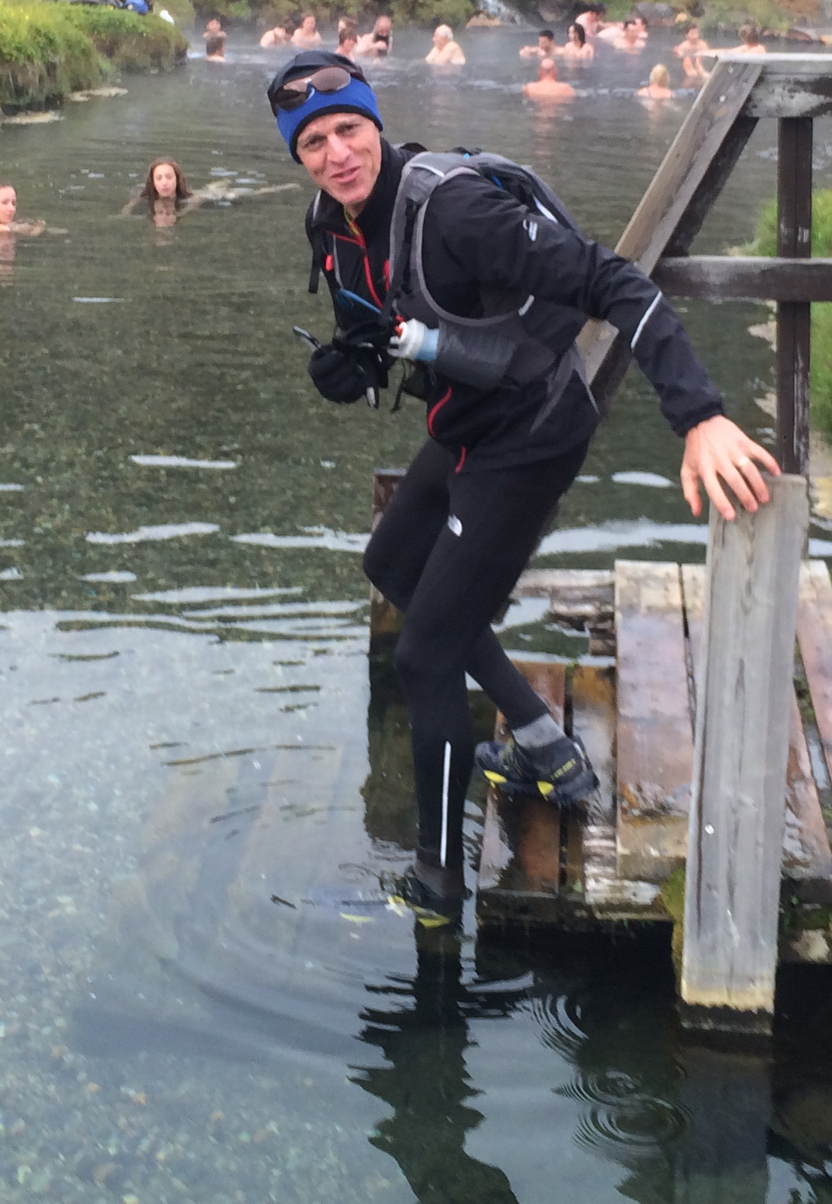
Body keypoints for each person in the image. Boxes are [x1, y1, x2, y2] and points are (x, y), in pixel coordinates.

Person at [270, 50, 780, 926]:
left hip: (531, 437)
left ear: (376, 124)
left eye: (348, 129)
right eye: (312, 141)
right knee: (393, 564)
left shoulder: (457, 209)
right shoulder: (333, 218)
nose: (336, 154)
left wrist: (701, 413)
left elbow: (616, 282)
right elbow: (390, 325)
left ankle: (435, 889)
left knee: (426, 653)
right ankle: (542, 739)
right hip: (466, 426)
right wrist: (349, 366)